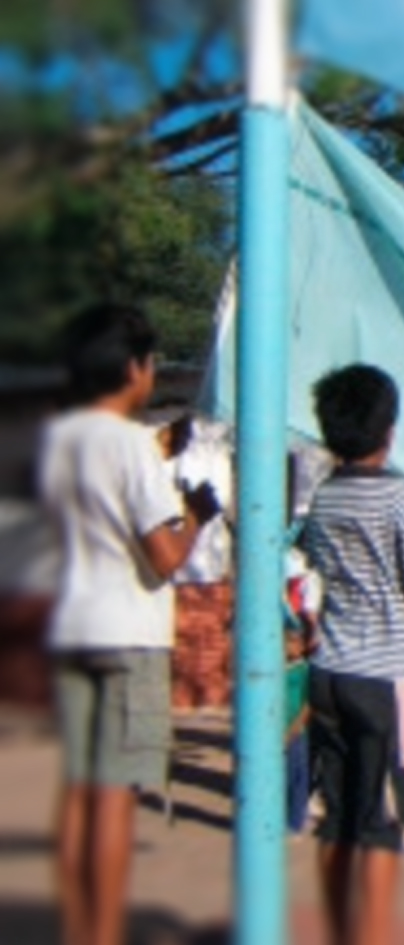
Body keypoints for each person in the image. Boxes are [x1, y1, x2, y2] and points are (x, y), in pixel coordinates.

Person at [41, 304, 221, 945]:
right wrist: (195, 517)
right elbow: (165, 556)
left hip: (69, 629)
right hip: (130, 635)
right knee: (116, 798)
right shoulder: (131, 446)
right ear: (133, 369)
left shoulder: (57, 441)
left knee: (78, 794)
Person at [300, 365, 404, 945]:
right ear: (390, 429)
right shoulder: (401, 497)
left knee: (339, 819)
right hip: (385, 677)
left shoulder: (323, 499)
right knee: (385, 823)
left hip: (330, 672)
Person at [285, 626, 312, 837]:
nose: (289, 646)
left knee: (297, 776)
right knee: (281, 778)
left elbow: (307, 703)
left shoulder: (304, 670)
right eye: (286, 641)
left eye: (294, 642)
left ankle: (296, 821)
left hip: (296, 730)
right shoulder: (276, 669)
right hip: (275, 729)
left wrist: (295, 727)